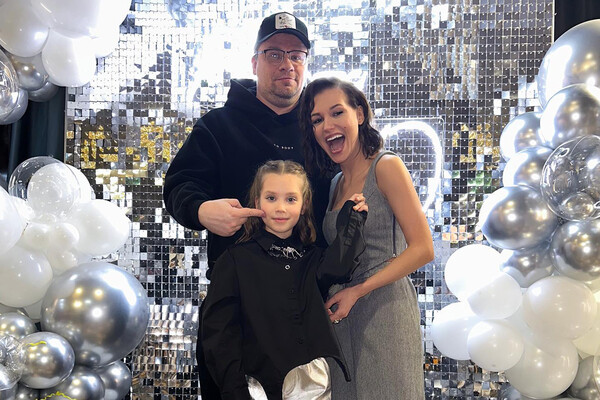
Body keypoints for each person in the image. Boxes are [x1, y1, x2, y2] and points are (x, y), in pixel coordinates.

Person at [162, 12, 332, 399]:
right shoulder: (218, 126)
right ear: (255, 62)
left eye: (297, 55)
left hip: (308, 309)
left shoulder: (321, 130)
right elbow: (179, 185)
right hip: (237, 311)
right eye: (274, 54)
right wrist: (203, 211)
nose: (287, 64)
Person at [298, 77, 434, 399]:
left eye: (337, 112)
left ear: (359, 114)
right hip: (342, 316)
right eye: (317, 120)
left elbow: (423, 249)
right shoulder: (335, 184)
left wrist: (358, 291)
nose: (327, 125)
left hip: (385, 310)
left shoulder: (386, 166)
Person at [201, 160, 368, 400]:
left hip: (312, 386)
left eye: (290, 199)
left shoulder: (313, 258)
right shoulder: (234, 261)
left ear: (304, 205)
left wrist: (353, 219)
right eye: (271, 198)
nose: (280, 208)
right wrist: (236, 392)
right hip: (256, 386)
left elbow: (340, 266)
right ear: (257, 202)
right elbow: (219, 336)